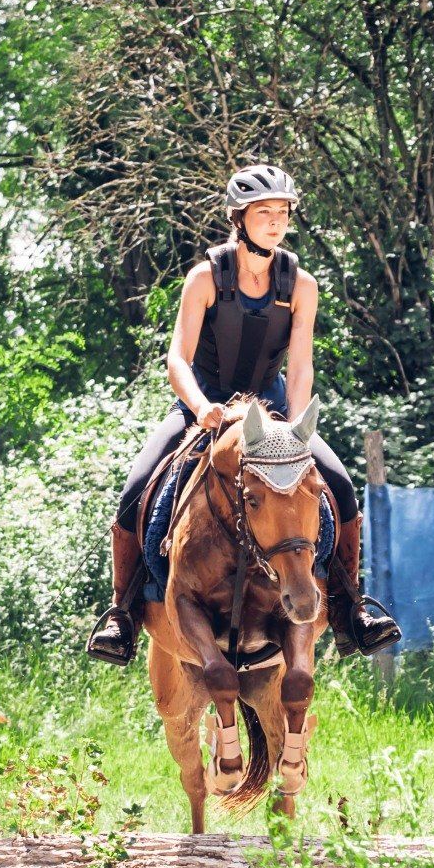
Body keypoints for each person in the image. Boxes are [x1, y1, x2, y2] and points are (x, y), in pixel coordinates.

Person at [85, 163, 401, 666]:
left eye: (282, 212)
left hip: (273, 412)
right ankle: (121, 614)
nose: (275, 222)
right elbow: (178, 358)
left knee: (340, 485)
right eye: (264, 213)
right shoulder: (205, 277)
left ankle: (350, 607)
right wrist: (199, 405)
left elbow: (300, 366)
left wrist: (294, 426)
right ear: (239, 218)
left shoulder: (301, 284)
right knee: (135, 489)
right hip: (204, 408)